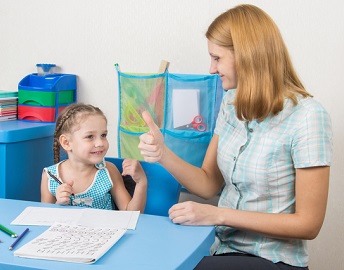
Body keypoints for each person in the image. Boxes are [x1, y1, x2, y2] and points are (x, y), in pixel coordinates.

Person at [138, 4, 333, 270]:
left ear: (247, 55)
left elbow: (308, 224)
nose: (210, 68)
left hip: (273, 259)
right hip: (223, 249)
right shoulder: (231, 104)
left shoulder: (308, 117)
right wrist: (163, 154)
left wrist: (219, 214)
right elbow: (208, 184)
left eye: (216, 58)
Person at [41, 103, 147, 213]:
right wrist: (58, 204)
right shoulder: (50, 176)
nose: (100, 143)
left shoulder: (109, 171)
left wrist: (141, 182)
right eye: (90, 136)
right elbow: (44, 218)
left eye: (103, 135)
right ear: (66, 142)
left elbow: (131, 214)